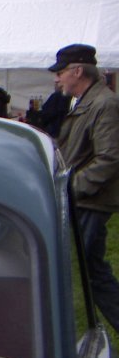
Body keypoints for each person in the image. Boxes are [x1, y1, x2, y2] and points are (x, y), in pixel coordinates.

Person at [49, 44, 119, 334]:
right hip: (84, 201)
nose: (57, 79)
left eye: (61, 72)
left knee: (84, 274)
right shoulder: (86, 101)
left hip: (90, 202)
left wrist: (70, 189)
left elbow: (109, 158)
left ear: (78, 71)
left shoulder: (104, 104)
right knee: (91, 273)